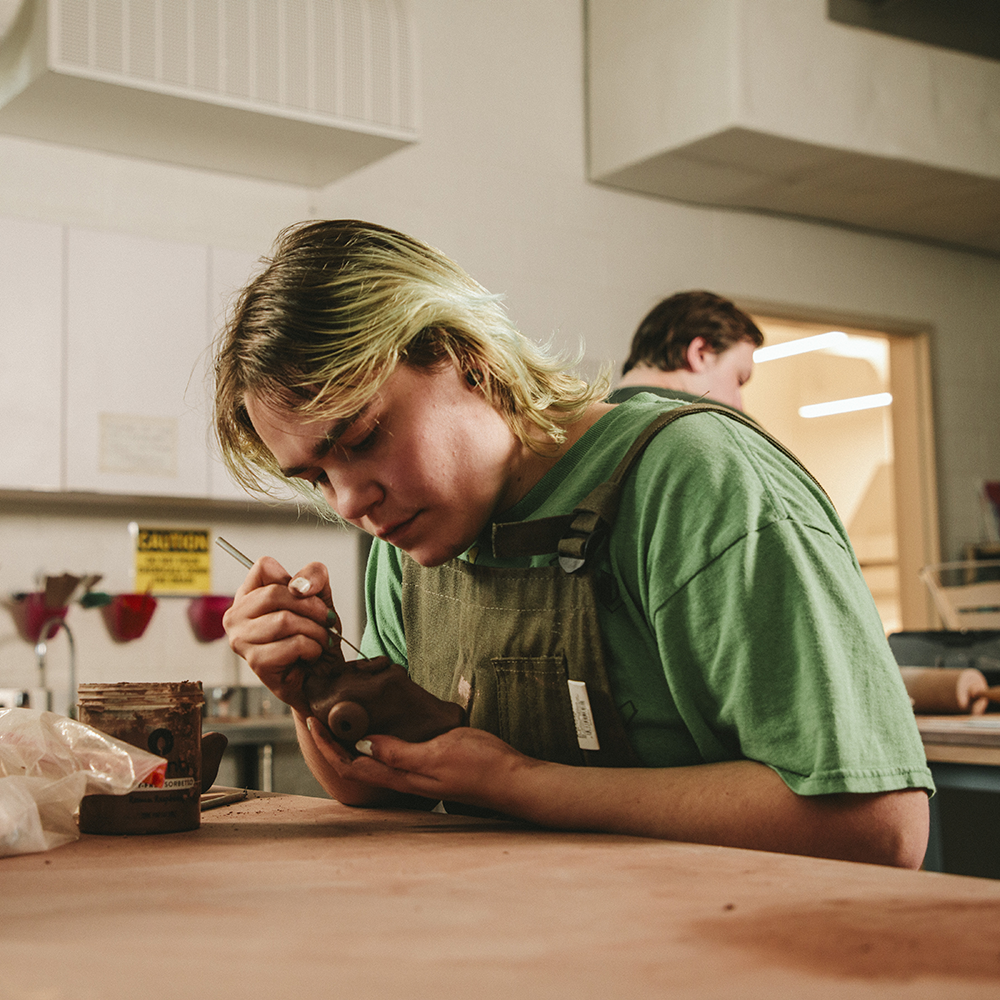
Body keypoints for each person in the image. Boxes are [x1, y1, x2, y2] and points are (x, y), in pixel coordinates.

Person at [213, 220, 932, 868]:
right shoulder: (411, 540)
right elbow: (384, 790)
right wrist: (311, 689)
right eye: (315, 477)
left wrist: (520, 784)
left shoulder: (695, 484)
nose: (349, 503)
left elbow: (878, 827)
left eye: (364, 437)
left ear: (466, 355)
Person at [608, 290, 764, 411]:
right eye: (739, 380)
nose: (739, 405)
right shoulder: (707, 429)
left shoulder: (587, 420)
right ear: (700, 353)